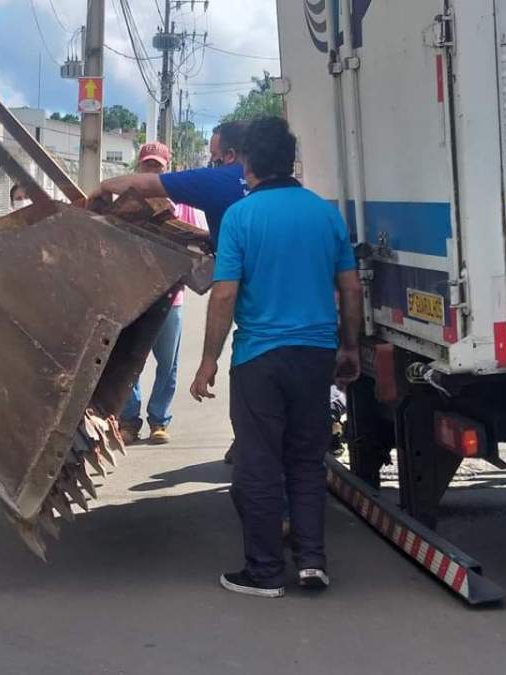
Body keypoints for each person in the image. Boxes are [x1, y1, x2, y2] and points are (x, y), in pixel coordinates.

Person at [189, 117, 362, 598]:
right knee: (307, 460)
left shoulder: (241, 217)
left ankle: (265, 572)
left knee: (260, 464)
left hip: (260, 360)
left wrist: (208, 360)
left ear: (247, 163)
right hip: (316, 355)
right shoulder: (325, 215)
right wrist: (349, 346)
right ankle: (311, 561)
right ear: (290, 161)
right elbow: (351, 289)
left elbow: (225, 294)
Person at [118, 142, 207, 446]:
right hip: (133, 295)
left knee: (167, 363)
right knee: (129, 361)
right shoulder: (126, 202)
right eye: (147, 164)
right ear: (139, 166)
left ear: (167, 169)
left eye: (157, 166)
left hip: (171, 297)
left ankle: (159, 420)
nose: (151, 170)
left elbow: (200, 245)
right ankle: (129, 421)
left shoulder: (185, 206)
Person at [89, 121, 249, 249]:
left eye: (214, 155)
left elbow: (147, 185)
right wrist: (212, 237)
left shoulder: (215, 180)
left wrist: (104, 186)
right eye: (147, 165)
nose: (212, 160)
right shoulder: (259, 182)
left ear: (230, 155)